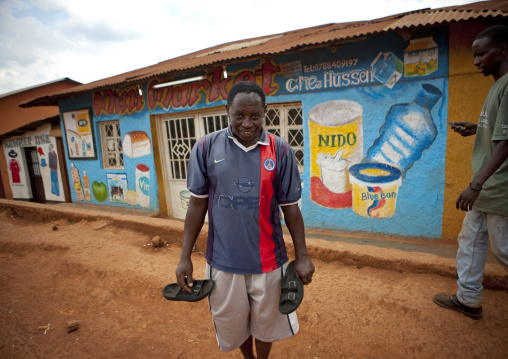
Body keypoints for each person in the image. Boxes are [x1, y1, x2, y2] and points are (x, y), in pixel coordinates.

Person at [175, 81, 315, 358]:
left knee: (266, 325)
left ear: (265, 111)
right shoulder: (205, 148)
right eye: (239, 115)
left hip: (269, 262)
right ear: (227, 111)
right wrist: (184, 256)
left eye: (254, 115)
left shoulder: (280, 150)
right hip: (223, 263)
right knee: (235, 325)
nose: (247, 123)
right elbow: (196, 206)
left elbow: (291, 209)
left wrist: (302, 255)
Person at [433, 25, 508, 320]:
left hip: (496, 185)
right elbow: (498, 131)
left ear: (502, 50)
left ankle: (468, 297)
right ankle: (468, 298)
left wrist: (475, 184)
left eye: (481, 54)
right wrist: (477, 129)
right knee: (471, 241)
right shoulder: (498, 86)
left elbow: (506, 143)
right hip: (487, 187)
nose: (476, 61)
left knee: (503, 248)